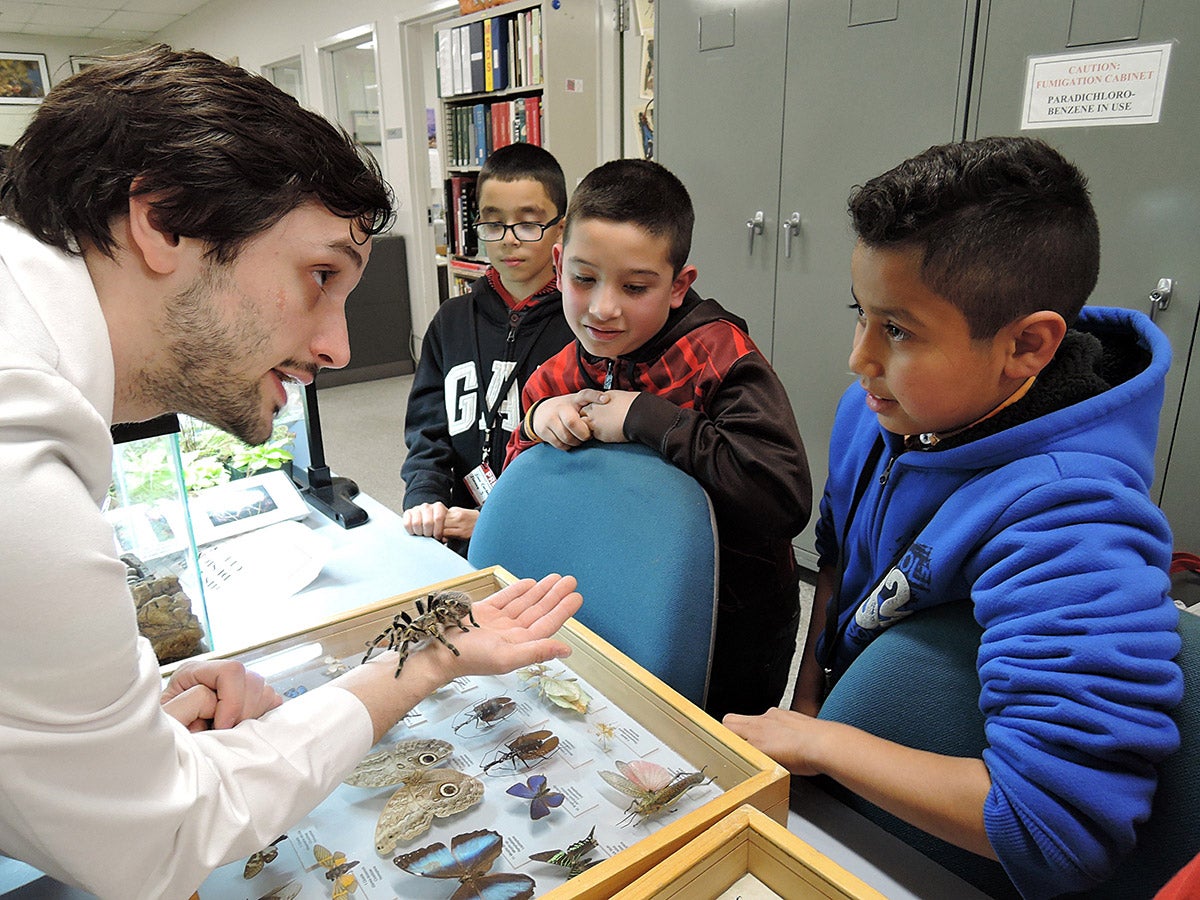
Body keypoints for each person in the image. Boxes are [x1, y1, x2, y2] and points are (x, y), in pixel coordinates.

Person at [0, 46, 582, 900]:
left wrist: (114, 728)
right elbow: (162, 842)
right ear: (162, 220)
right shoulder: (23, 474)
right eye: (318, 276)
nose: (338, 349)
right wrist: (420, 663)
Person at [724, 136, 1183, 898]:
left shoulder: (1072, 520)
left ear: (1027, 346)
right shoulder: (879, 415)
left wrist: (824, 743)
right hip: (850, 787)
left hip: (942, 857)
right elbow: (835, 567)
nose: (858, 360)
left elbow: (1054, 827)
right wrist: (807, 710)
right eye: (861, 315)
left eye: (897, 330)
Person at [505, 158, 812, 720]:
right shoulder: (554, 374)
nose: (603, 308)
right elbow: (516, 490)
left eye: (636, 286)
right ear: (558, 263)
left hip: (728, 626)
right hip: (603, 598)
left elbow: (781, 495)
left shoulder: (719, 356)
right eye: (583, 278)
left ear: (679, 286)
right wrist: (535, 423)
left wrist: (647, 417)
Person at [401, 142, 574, 554]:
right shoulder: (451, 320)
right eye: (493, 224)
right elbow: (428, 429)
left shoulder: (582, 327)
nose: (508, 241)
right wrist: (426, 493)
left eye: (528, 224)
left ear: (562, 229)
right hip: (457, 529)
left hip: (548, 536)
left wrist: (502, 520)